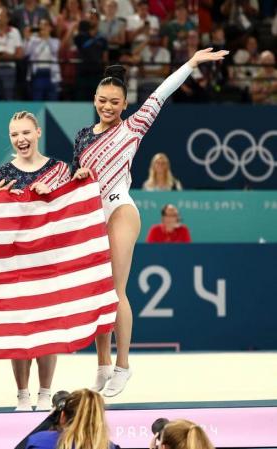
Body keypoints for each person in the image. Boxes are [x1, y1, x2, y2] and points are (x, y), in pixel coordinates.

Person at [71, 47, 228, 397]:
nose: (108, 106)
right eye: (102, 100)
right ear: (94, 99)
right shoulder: (82, 136)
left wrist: (190, 63)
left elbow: (161, 93)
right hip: (93, 214)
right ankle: (102, 365)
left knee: (115, 291)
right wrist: (78, 174)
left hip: (120, 209)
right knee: (98, 292)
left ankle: (123, 365)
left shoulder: (132, 128)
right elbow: (74, 180)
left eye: (115, 102)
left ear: (124, 105)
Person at [0, 111, 73, 412]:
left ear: (38, 132)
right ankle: (23, 394)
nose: (21, 139)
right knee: (19, 328)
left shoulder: (59, 169)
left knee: (47, 328)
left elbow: (70, 214)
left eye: (26, 132)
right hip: (15, 261)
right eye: (14, 135)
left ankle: (45, 393)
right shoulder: (0, 174)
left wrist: (52, 196)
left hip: (49, 260)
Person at [26, 389, 118, 449]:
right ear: (99, 420)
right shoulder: (109, 446)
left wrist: (50, 419)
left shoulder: (38, 442)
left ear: (63, 417)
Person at [23, 18, 61, 101]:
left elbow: (54, 51)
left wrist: (46, 38)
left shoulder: (55, 41)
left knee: (52, 100)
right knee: (37, 100)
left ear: (50, 28)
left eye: (45, 25)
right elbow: (26, 53)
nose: (43, 27)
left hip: (52, 75)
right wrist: (26, 39)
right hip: (37, 74)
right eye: (41, 25)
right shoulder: (33, 41)